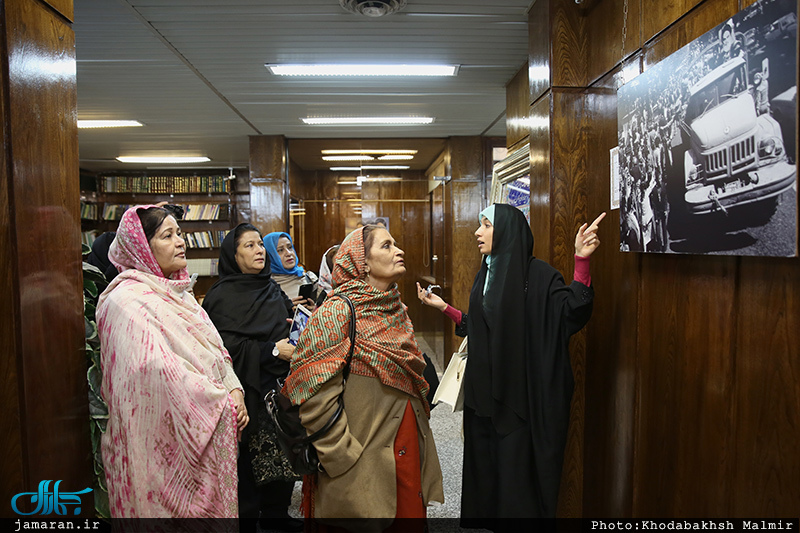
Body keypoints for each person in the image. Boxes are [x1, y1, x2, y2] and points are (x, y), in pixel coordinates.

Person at [417, 204, 605, 525]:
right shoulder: (485, 272)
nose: (478, 232)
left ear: (505, 231)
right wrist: (445, 308)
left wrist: (581, 260)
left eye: (486, 225)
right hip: (484, 392)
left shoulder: (539, 275)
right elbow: (479, 324)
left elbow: (571, 311)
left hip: (518, 393)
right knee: (488, 464)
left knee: (516, 472)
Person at [284, 225, 444, 531]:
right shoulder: (336, 313)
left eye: (395, 244)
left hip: (406, 448)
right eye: (386, 246)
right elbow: (312, 395)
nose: (399, 251)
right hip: (360, 459)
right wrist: (341, 457)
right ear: (362, 262)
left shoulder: (395, 309)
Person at [96, 205, 248, 517]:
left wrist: (234, 389)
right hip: (157, 453)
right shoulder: (126, 302)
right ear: (142, 247)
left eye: (179, 233)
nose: (181, 242)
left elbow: (213, 349)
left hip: (208, 421)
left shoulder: (180, 294)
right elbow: (154, 371)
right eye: (168, 236)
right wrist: (219, 401)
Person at [201, 223, 303, 533]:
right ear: (233, 255)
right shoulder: (220, 297)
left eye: (260, 244)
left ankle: (277, 514)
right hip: (244, 390)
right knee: (247, 463)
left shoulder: (270, 287)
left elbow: (283, 324)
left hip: (278, 387)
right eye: (249, 246)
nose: (259, 250)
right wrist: (272, 350)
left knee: (283, 451)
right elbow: (222, 349)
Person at [263, 231, 318, 309]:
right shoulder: (266, 286)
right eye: (280, 250)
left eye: (290, 247)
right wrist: (285, 309)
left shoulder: (310, 278)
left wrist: (315, 310)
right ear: (270, 256)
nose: (289, 253)